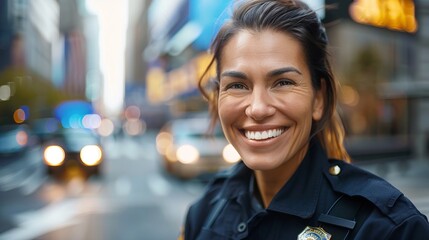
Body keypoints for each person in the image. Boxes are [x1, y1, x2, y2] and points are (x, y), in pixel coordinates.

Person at [181, 0, 429, 239]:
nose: (257, 109)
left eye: (283, 83)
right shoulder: (204, 212)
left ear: (318, 98)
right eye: (237, 85)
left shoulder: (388, 229)